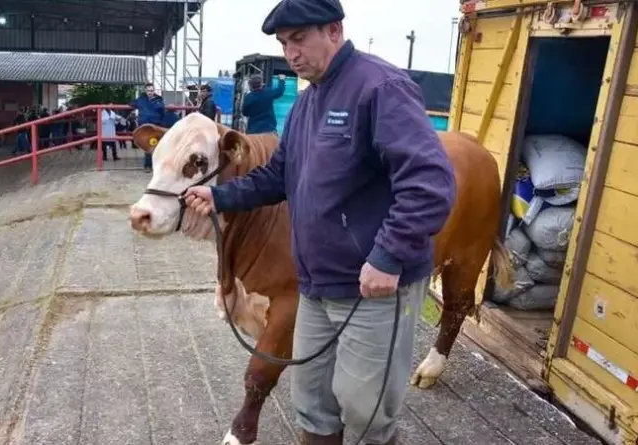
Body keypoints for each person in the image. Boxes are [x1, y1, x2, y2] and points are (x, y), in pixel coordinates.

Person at [183, 1, 456, 444]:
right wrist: (219, 195)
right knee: (312, 403)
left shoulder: (380, 88)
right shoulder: (307, 102)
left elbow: (430, 183)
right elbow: (279, 176)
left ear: (334, 31)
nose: (290, 53)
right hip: (314, 286)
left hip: (371, 288)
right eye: (283, 43)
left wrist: (388, 256)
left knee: (366, 410)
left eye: (299, 39)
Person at [130, 83, 166, 172]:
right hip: (145, 127)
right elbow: (132, 103)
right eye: (148, 90)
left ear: (154, 91)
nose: (150, 92)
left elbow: (163, 113)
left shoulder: (159, 100)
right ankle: (148, 165)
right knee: (149, 145)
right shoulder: (141, 99)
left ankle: (155, 166)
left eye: (151, 90)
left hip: (155, 126)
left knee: (157, 146)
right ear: (145, 91)